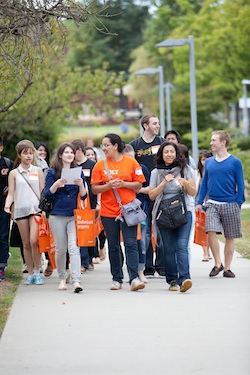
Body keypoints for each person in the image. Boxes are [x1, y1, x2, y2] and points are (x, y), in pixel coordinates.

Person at [91, 133, 146, 291]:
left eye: (106, 145)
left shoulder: (131, 162)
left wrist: (124, 184)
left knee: (131, 244)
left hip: (128, 210)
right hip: (108, 212)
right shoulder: (100, 165)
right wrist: (108, 186)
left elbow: (138, 186)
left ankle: (134, 278)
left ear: (116, 146)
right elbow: (94, 189)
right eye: (102, 145)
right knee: (113, 245)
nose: (103, 148)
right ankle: (117, 279)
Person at [148, 141, 196, 292]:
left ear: (177, 153)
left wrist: (186, 184)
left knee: (181, 246)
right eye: (166, 152)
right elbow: (151, 195)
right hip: (163, 213)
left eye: (172, 151)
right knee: (168, 249)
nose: (169, 154)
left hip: (183, 211)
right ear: (161, 155)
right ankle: (172, 280)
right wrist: (163, 183)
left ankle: (185, 279)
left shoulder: (185, 169)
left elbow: (193, 192)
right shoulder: (156, 173)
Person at [197, 131, 245, 278]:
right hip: (212, 203)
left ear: (223, 142)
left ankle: (227, 268)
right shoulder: (210, 162)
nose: (211, 143)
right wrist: (199, 202)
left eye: (214, 140)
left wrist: (238, 202)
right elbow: (204, 183)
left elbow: (241, 184)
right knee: (210, 231)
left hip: (230, 203)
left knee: (229, 237)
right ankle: (218, 263)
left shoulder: (235, 162)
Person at [44, 142, 87, 292]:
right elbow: (47, 194)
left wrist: (81, 184)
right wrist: (56, 184)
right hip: (56, 214)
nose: (70, 155)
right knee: (61, 249)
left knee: (74, 248)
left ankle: (76, 281)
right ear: (61, 155)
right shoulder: (52, 172)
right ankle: (62, 278)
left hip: (73, 215)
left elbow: (83, 196)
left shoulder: (78, 171)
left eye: (72, 152)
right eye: (67, 152)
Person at [4, 139, 45, 285]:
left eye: (30, 153)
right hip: (21, 210)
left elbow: (42, 191)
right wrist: (8, 206)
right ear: (19, 155)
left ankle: (37, 270)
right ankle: (30, 273)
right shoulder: (14, 173)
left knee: (35, 241)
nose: (28, 156)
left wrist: (44, 209)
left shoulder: (38, 171)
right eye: (25, 153)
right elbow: (11, 194)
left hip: (35, 209)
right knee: (26, 243)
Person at [130, 114, 165, 277]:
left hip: (161, 194)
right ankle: (148, 266)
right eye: (154, 123)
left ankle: (162, 265)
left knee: (162, 229)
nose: (157, 126)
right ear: (145, 126)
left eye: (158, 123)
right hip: (142, 196)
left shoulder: (163, 143)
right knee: (145, 231)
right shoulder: (135, 145)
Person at [123, 144, 150, 284]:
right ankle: (131, 271)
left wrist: (136, 188)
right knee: (130, 242)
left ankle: (141, 270)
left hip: (140, 209)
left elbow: (149, 188)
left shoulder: (142, 168)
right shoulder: (121, 170)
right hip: (125, 209)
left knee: (142, 241)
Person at [72, 139, 97, 271]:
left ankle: (91, 257)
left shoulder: (92, 165)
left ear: (79, 150)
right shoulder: (72, 166)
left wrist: (97, 202)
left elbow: (96, 184)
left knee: (89, 232)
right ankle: (83, 262)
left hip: (90, 203)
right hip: (76, 203)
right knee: (79, 232)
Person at [195, 150, 213, 261]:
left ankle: (210, 251)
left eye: (206, 159)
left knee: (211, 230)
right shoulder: (197, 173)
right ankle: (205, 253)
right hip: (200, 205)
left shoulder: (213, 171)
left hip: (211, 204)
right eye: (202, 159)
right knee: (202, 229)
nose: (204, 162)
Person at [0, 137, 14, 281]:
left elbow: (14, 181)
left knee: (3, 237)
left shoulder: (7, 164)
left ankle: (1, 267)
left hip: (4, 207)